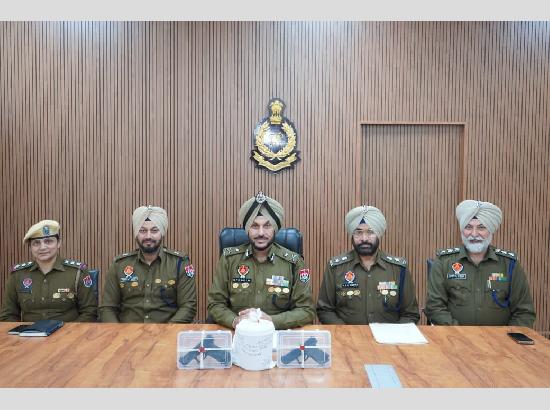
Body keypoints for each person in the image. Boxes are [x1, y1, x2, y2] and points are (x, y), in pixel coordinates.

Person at [207, 191, 315, 330]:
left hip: (278, 333)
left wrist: (271, 320)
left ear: (275, 228)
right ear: (247, 229)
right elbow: (215, 304)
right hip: (238, 332)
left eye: (267, 226)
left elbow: (306, 310)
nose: (261, 233)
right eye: (254, 226)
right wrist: (235, 321)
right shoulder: (229, 259)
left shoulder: (294, 262)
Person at [425, 200, 536, 327]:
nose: (474, 234)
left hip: (500, 338)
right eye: (468, 227)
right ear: (462, 231)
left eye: (481, 227)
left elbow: (524, 312)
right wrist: (460, 333)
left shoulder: (509, 264)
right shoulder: (444, 262)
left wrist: (507, 336)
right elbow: (434, 307)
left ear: (490, 230)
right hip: (454, 336)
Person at [316, 205, 420, 324]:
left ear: (379, 234)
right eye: (358, 232)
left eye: (370, 232)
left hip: (389, 336)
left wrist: (395, 334)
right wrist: (345, 332)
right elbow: (325, 310)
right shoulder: (336, 268)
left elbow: (410, 313)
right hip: (347, 335)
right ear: (352, 235)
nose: (364, 238)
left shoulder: (398, 268)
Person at [100, 205, 196, 323]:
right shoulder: (119, 264)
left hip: (167, 332)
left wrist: (168, 331)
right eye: (143, 231)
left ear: (162, 232)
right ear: (136, 233)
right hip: (127, 333)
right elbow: (107, 308)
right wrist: (117, 332)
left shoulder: (179, 263)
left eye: (154, 230)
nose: (148, 236)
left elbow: (188, 307)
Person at [0, 220, 97, 322]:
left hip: (68, 331)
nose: (42, 247)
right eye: (36, 243)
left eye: (48, 241)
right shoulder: (18, 275)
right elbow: (8, 315)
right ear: (30, 247)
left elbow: (89, 312)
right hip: (29, 331)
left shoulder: (77, 273)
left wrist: (71, 331)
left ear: (58, 243)